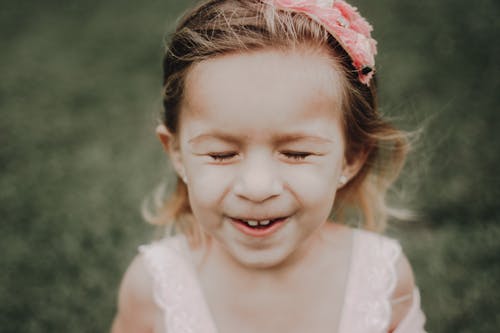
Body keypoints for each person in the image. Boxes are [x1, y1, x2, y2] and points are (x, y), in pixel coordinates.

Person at [111, 0, 426, 332]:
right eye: (221, 154)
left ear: (351, 157)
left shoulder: (382, 280)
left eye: (296, 153)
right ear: (176, 153)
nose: (257, 188)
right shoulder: (152, 289)